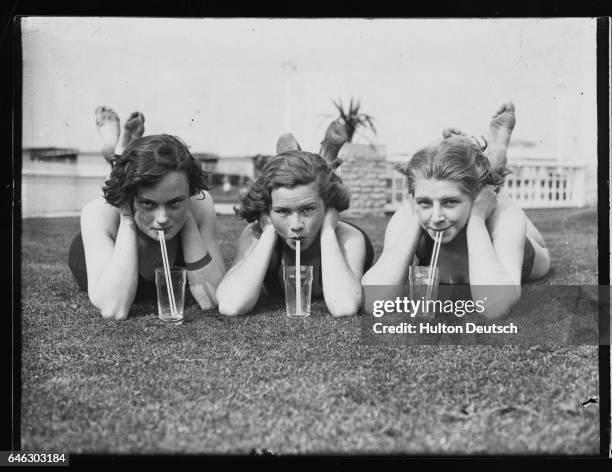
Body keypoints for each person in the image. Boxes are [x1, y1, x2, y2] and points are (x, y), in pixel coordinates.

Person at [361, 102, 551, 319]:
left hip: (509, 251)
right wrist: (417, 217)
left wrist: (478, 218)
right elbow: (372, 301)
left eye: (449, 202)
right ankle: (488, 167)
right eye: (424, 202)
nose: (436, 218)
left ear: (475, 197)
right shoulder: (410, 212)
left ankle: (494, 167)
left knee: (540, 249)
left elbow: (494, 308)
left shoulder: (503, 216)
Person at [68, 108, 226, 320]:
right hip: (101, 254)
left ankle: (120, 158)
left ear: (190, 193)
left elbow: (213, 298)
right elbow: (115, 309)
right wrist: (126, 212)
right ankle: (114, 155)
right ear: (130, 199)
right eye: (148, 204)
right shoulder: (97, 213)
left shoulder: (199, 203)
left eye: (175, 201)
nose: (162, 219)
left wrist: (186, 214)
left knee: (148, 187)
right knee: (122, 184)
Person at [215, 148, 374, 317]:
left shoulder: (349, 237)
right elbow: (231, 305)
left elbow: (345, 306)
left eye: (308, 209)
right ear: (267, 211)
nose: (296, 225)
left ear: (328, 205)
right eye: (282, 211)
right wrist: (269, 232)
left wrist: (327, 231)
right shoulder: (257, 235)